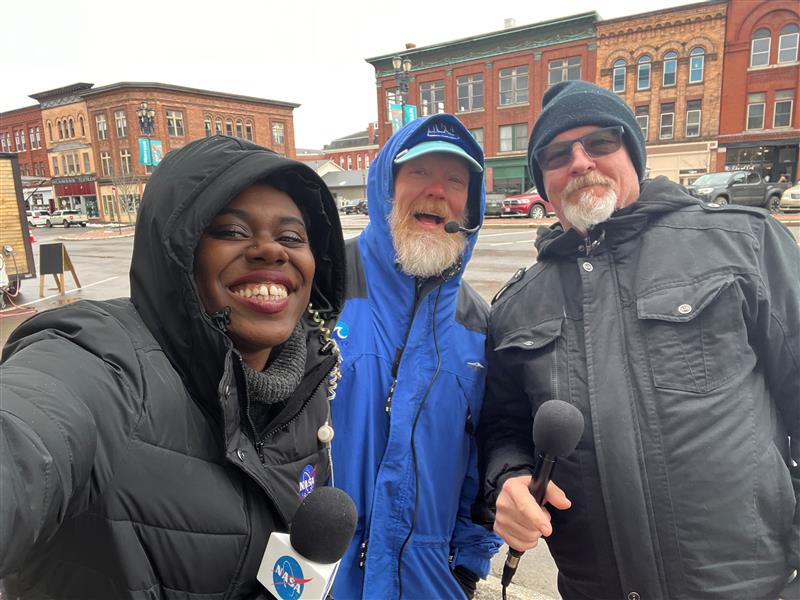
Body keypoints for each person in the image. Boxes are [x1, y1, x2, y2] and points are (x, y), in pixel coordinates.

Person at [477, 81, 799, 600]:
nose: (580, 162)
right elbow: (503, 427)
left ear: (633, 152)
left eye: (600, 142)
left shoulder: (744, 245)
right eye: (558, 154)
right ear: (543, 181)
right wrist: (508, 480)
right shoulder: (517, 304)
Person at [0, 135, 346, 598]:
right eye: (231, 231)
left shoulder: (305, 384)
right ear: (177, 254)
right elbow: (31, 429)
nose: (271, 250)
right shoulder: (104, 357)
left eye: (291, 237)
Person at [330, 113, 501, 599]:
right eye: (419, 173)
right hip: (317, 574)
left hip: (429, 583)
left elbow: (482, 462)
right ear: (387, 183)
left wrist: (467, 565)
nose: (437, 192)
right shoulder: (321, 282)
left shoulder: (478, 324)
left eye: (455, 179)